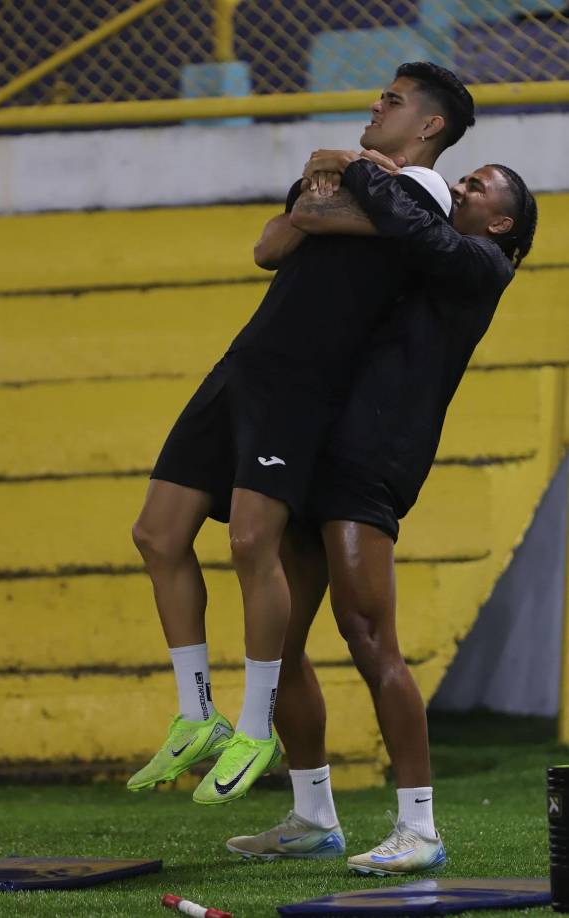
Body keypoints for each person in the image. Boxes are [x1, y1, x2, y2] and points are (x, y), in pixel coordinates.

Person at [127, 62, 475, 806]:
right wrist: (333, 186)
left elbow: (316, 219)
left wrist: (334, 177)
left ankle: (259, 730)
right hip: (243, 364)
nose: (374, 105)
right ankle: (198, 715)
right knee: (156, 534)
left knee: (254, 545)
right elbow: (269, 244)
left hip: (302, 385)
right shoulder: (368, 181)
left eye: (392, 100)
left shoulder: (429, 191)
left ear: (430, 125)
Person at [225, 155, 538, 872]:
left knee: (368, 636)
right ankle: (311, 817)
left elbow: (408, 222)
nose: (457, 186)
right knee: (279, 642)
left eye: (476, 187)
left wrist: (364, 169)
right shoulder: (418, 250)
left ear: (500, 223)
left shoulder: (483, 263)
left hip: (373, 461)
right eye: (462, 178)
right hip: (318, 447)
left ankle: (419, 828)